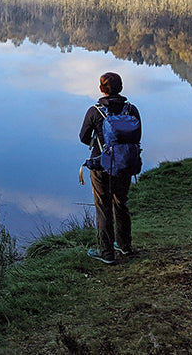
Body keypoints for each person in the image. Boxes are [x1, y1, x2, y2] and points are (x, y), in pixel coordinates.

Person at [79, 71, 139, 265]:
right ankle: (125, 246)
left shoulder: (94, 111)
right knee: (121, 203)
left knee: (103, 207)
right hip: (124, 164)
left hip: (100, 165)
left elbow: (83, 138)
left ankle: (106, 253)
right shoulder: (131, 110)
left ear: (101, 89)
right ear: (120, 88)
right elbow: (137, 137)